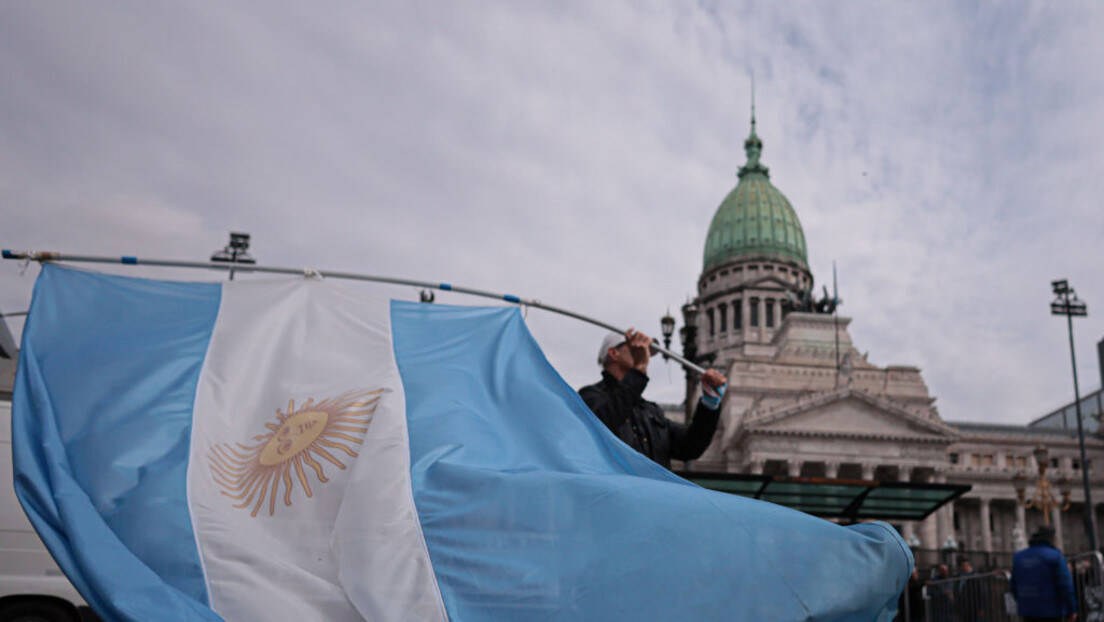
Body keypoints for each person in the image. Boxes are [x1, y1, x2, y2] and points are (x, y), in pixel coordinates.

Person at [579, 328, 727, 469]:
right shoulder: (590, 396)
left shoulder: (651, 412)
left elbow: (691, 446)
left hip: (650, 494)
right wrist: (639, 370)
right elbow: (603, 423)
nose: (644, 353)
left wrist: (709, 403)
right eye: (635, 347)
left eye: (644, 350)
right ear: (613, 352)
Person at [1010, 524, 1078, 622]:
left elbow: (1013, 585)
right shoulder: (1055, 557)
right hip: (1051, 611)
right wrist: (1071, 609)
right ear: (1053, 538)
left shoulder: (1019, 557)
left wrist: (1023, 602)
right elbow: (1066, 586)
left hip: (1028, 611)